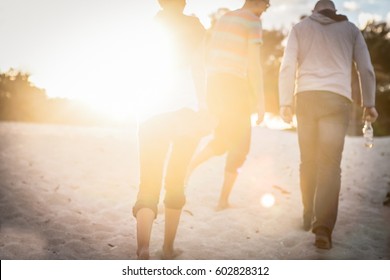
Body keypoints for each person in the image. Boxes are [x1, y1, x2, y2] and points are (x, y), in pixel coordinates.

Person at [278, 0, 378, 249]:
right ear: (334, 11)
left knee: (308, 161)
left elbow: (287, 65)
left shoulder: (300, 28)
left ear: (314, 12)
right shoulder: (351, 29)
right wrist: (369, 103)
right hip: (337, 99)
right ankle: (322, 229)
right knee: (330, 164)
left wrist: (285, 102)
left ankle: (307, 215)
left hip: (307, 98)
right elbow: (365, 68)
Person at [133, 0, 208, 259]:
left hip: (152, 110)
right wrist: (204, 107)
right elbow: (200, 68)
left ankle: (143, 248)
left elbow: (140, 69)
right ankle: (167, 248)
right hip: (185, 112)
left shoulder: (151, 27)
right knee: (176, 180)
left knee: (148, 182)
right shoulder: (195, 26)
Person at [186, 0, 270, 210]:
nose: (264, 11)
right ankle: (222, 201)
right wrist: (261, 101)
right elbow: (254, 65)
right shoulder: (252, 21)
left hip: (214, 83)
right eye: (266, 6)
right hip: (234, 84)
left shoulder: (225, 18)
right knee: (241, 146)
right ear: (258, 2)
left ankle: (188, 167)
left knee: (223, 139)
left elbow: (210, 52)